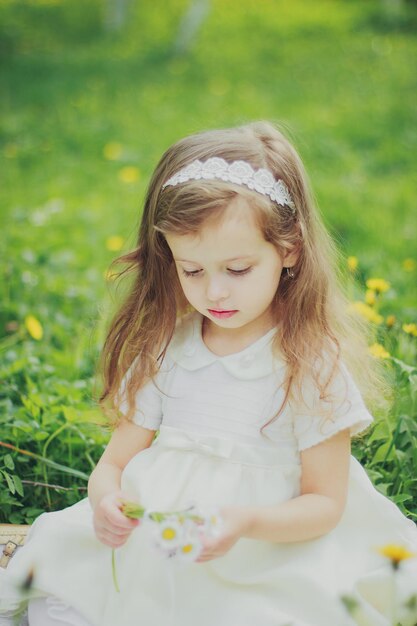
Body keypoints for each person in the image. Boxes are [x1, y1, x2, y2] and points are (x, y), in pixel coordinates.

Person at [1, 121, 416, 626]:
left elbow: (326, 503)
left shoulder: (307, 362)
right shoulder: (169, 349)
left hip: (269, 551)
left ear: (289, 251)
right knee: (67, 579)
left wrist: (246, 522)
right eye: (191, 270)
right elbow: (113, 464)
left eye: (237, 270)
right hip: (160, 547)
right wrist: (107, 500)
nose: (214, 292)